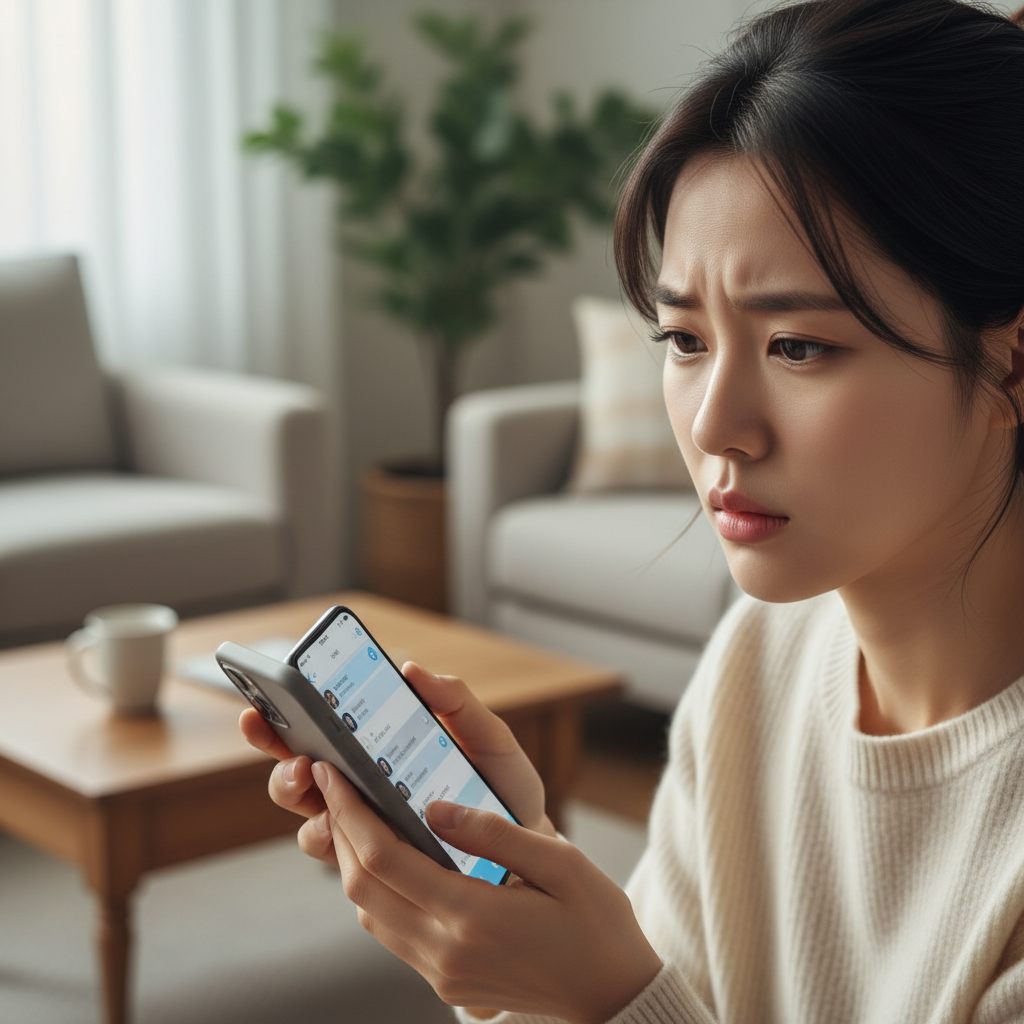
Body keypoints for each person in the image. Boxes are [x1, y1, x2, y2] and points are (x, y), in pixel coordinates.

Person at [239, 0, 1024, 1020]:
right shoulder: (762, 657)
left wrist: (604, 993)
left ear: (1010, 362)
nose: (715, 426)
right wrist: (530, 904)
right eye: (684, 340)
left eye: (798, 346)